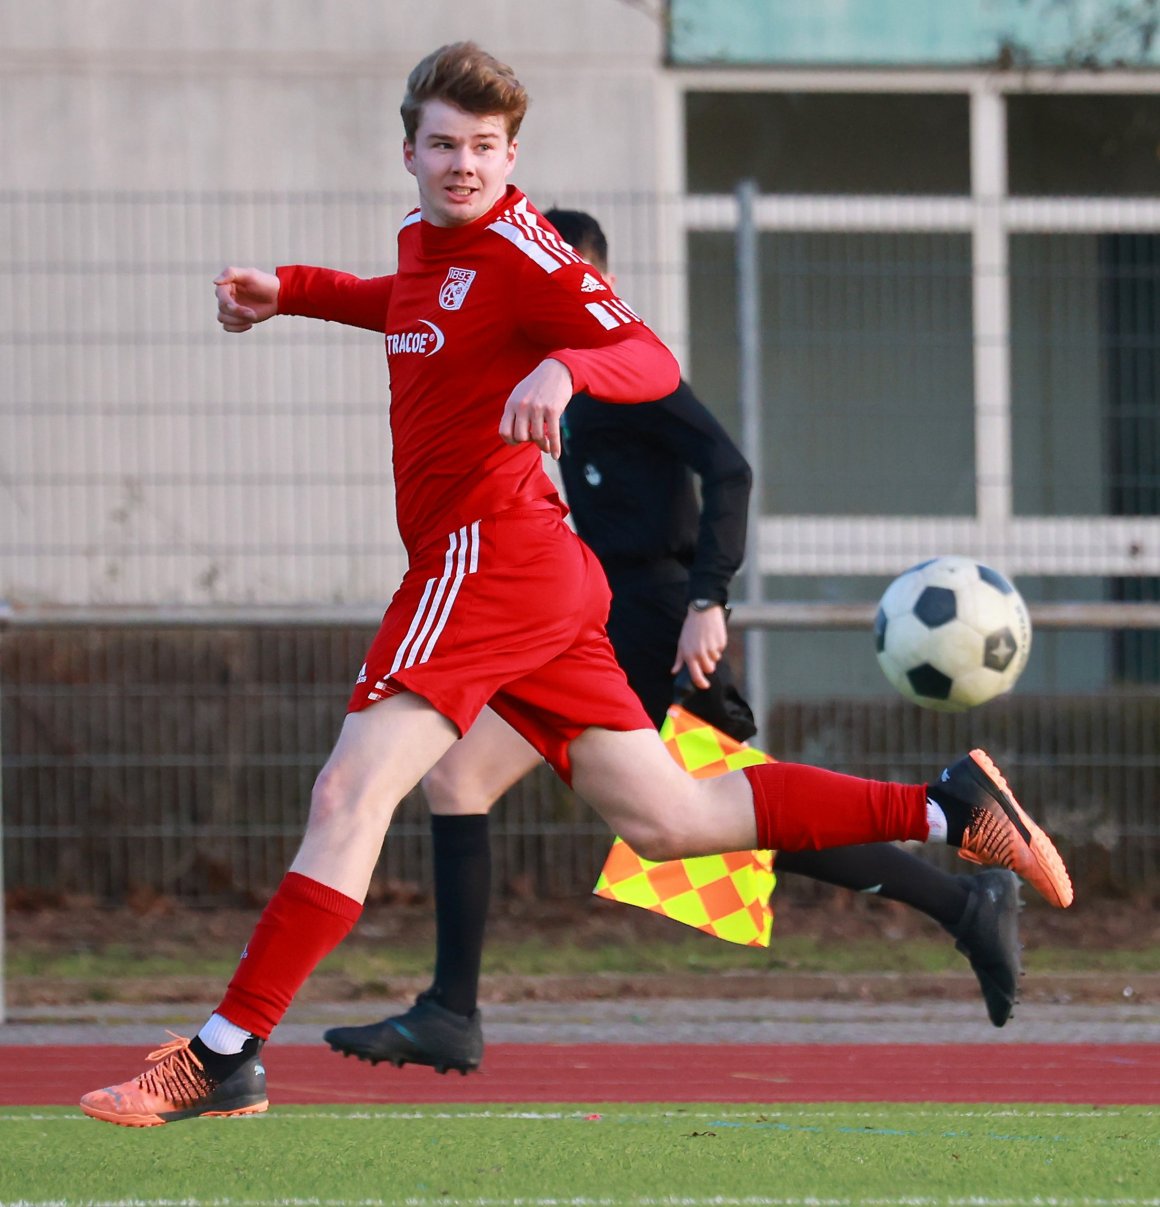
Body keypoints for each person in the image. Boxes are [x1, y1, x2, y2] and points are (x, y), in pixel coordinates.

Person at [79, 42, 1072, 1128]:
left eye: (486, 148)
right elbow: (411, 308)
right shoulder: (431, 242)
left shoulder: (526, 250)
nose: (464, 165)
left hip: (488, 559)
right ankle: (947, 808)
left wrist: (565, 365)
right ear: (407, 149)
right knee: (671, 816)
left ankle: (225, 1052)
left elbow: (642, 356)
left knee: (346, 795)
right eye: (445, 145)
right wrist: (294, 293)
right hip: (544, 578)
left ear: (513, 154)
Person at [318, 210, 1029, 1079]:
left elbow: (728, 467)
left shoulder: (623, 374)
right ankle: (963, 897)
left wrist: (708, 598)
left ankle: (451, 1010)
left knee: (620, 805)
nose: (539, 296)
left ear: (596, 285)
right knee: (694, 811)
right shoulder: (539, 372)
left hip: (647, 616)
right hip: (583, 615)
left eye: (559, 279)